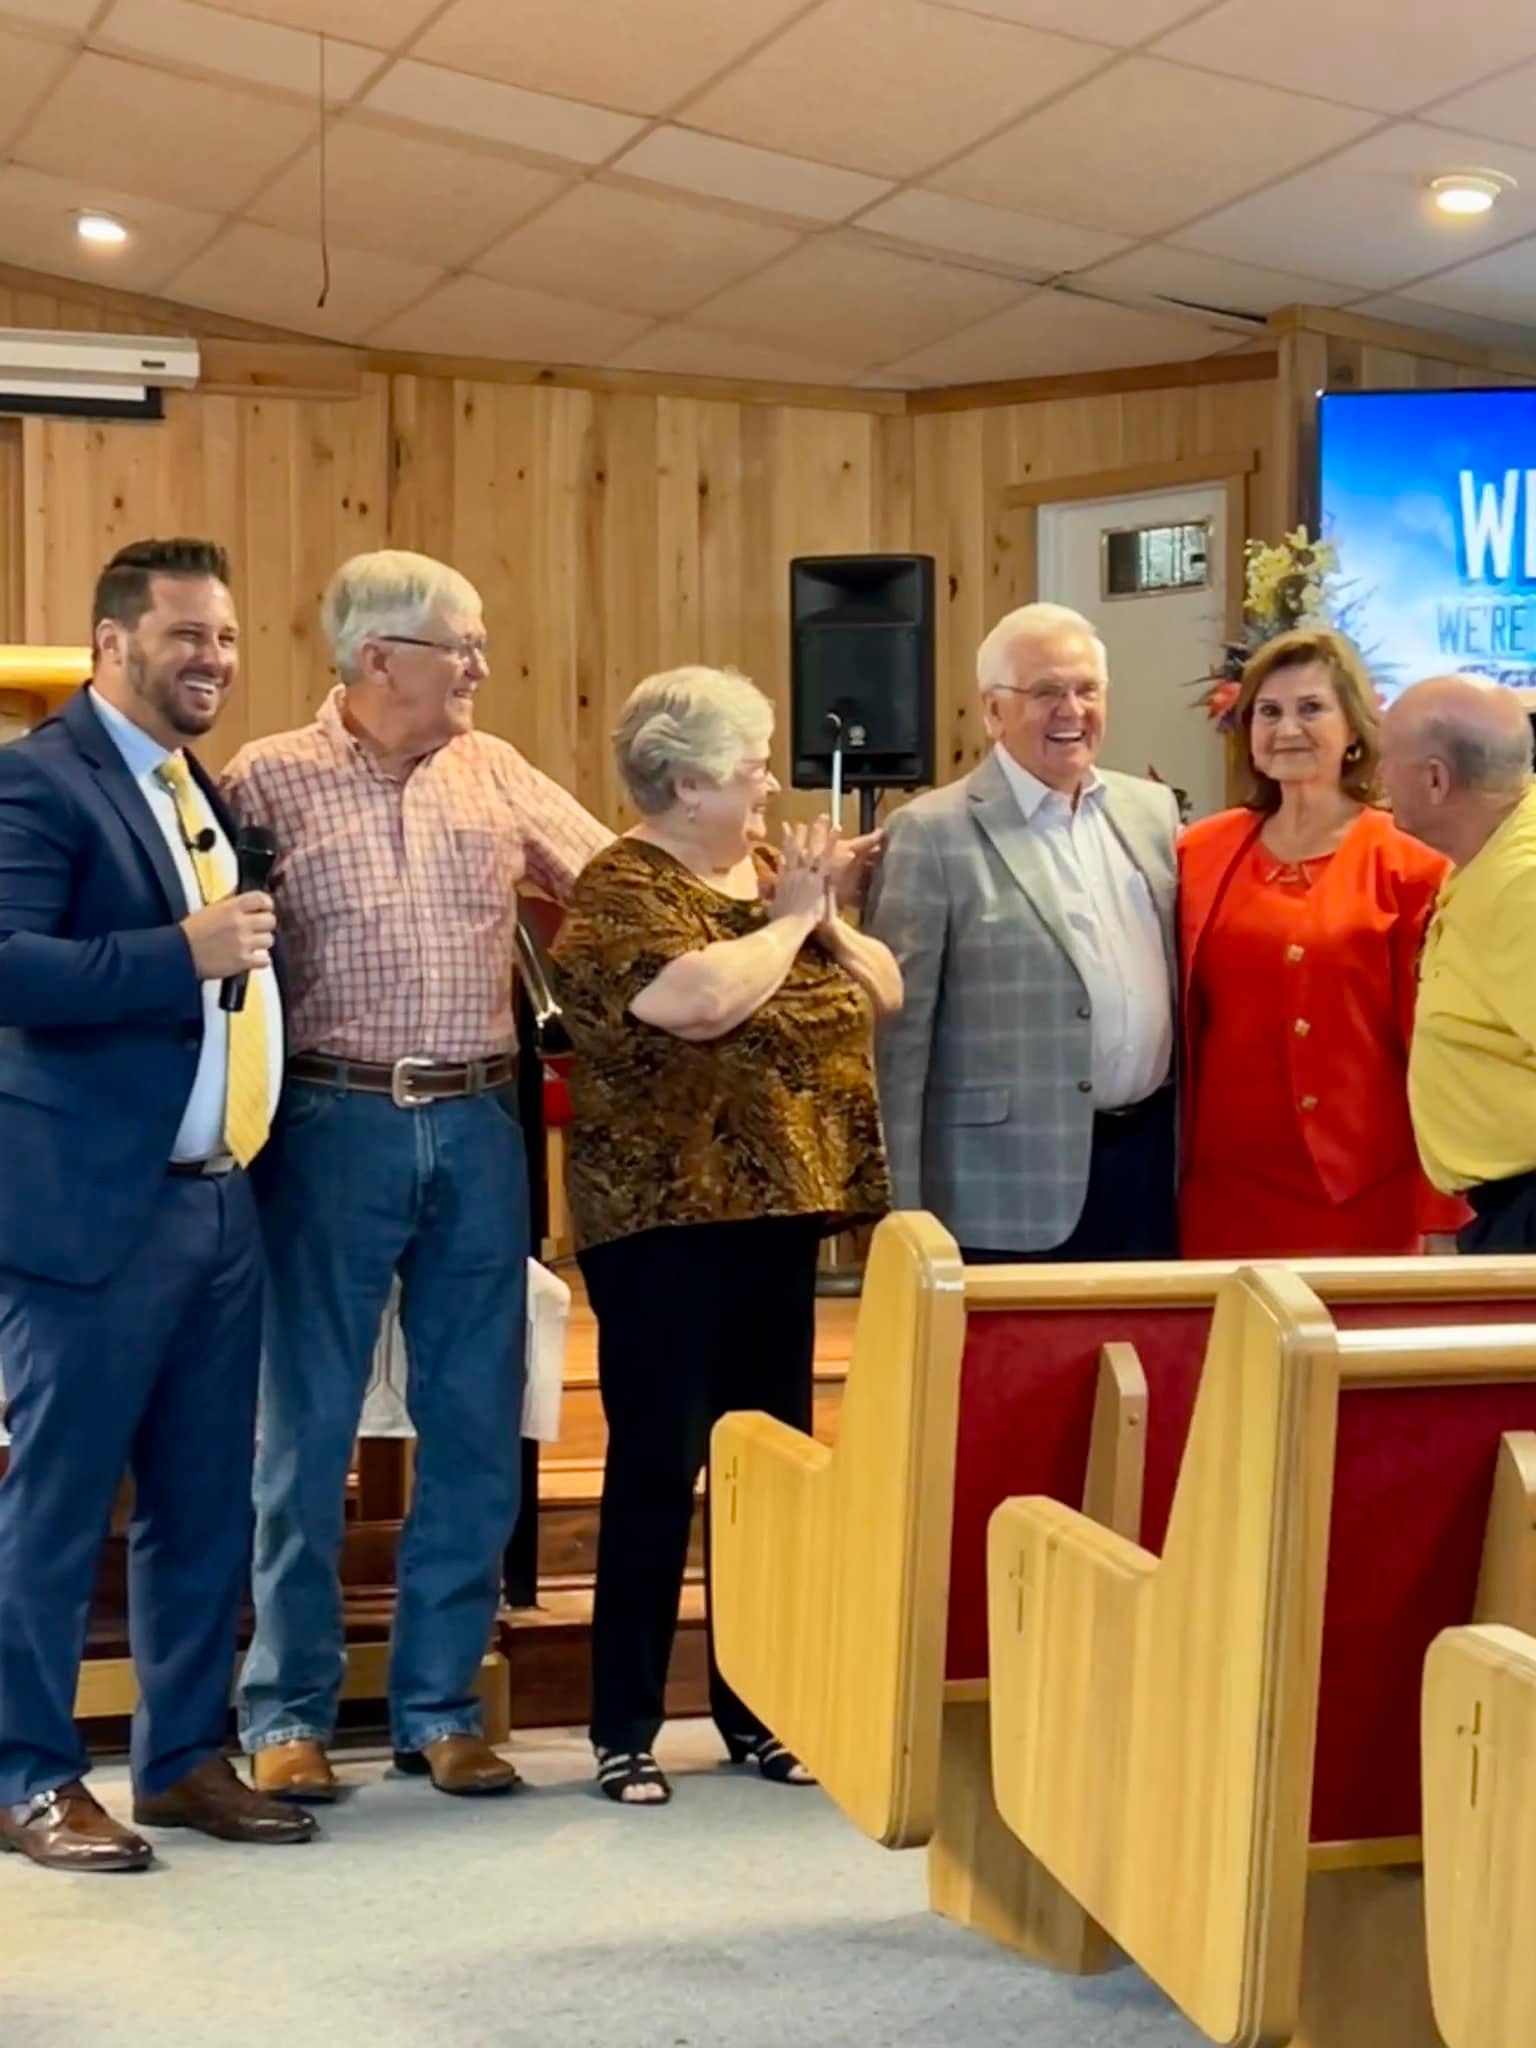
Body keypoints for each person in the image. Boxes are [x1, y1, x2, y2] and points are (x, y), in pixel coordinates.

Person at [223, 550, 611, 1803]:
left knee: (475, 1425)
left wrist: (770, 882)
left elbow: (615, 882)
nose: (483, 670)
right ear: (379, 657)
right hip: (329, 1123)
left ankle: (440, 1704)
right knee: (304, 1430)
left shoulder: (494, 767)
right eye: (464, 647)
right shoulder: (265, 779)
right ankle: (284, 1710)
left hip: (483, 1124)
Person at [0, 538, 311, 1871]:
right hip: (86, 1210)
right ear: (111, 644)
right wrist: (174, 954)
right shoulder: (37, 781)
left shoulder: (205, 791)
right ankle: (28, 1773)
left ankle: (185, 1757)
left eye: (227, 639)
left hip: (217, 1206)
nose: (214, 662)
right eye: (187, 637)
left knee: (205, 1503)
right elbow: (8, 965)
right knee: (59, 1507)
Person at [551, 666, 896, 1807]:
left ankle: (760, 1712)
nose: (765, 781)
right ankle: (625, 1726)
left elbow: (881, 989)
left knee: (768, 1468)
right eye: (748, 763)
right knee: (659, 1465)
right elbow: (692, 1003)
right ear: (688, 777)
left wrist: (822, 916)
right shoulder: (621, 887)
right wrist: (792, 917)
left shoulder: (764, 879)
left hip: (778, 1213)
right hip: (663, 1225)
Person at [866, 602, 1178, 1261]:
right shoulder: (931, 832)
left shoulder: (1151, 813)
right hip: (997, 1190)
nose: (1072, 710)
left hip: (1149, 1171)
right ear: (992, 711)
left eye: (1087, 689)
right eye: (1045, 692)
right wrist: (901, 1218)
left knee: (1148, 1363)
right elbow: (897, 1041)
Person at [1179, 629, 1465, 1257]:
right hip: (1218, 1194)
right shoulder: (1198, 851)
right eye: (1268, 712)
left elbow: (1437, 1052)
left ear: (1356, 730)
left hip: (1360, 1196)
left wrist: (1440, 1205)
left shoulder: (1411, 866)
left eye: (1311, 709)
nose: (1287, 729)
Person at [1379, 675, 1536, 1253]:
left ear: (1436, 780)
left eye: (1386, 761)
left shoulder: (1523, 884)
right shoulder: (1487, 856)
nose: (1376, 780)